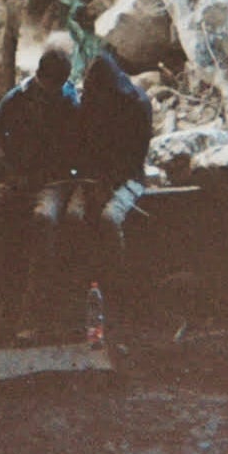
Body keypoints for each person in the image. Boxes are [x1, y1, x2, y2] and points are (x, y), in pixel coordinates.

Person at [0, 34, 81, 325]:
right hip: (17, 179)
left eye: (58, 85)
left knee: (44, 220)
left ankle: (33, 310)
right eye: (49, 84)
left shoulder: (69, 100)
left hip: (52, 182)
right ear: (39, 76)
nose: (53, 91)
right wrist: (16, 155)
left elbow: (79, 145)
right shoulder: (19, 97)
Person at [72, 47, 154, 296]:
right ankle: (77, 284)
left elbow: (135, 156)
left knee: (109, 219)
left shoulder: (137, 105)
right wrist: (92, 182)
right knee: (73, 217)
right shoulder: (91, 100)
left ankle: (118, 286)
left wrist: (109, 183)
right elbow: (84, 147)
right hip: (94, 176)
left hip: (128, 176)